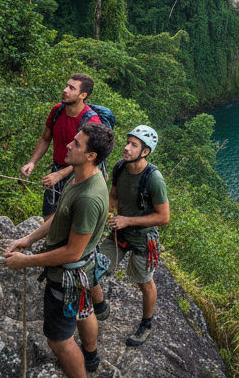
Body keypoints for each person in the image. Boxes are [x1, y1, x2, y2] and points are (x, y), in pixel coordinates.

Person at [4, 124, 114, 378]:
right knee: (83, 310)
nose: (68, 144)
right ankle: (91, 356)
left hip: (67, 276)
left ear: (91, 156)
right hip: (81, 273)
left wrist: (26, 262)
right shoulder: (80, 176)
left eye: (76, 143)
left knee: (59, 341)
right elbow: (60, 216)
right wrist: (29, 238)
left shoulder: (88, 197)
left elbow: (72, 253)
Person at [91, 125, 169, 347]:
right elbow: (114, 196)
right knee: (93, 268)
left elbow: (163, 217)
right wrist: (107, 210)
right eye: (127, 142)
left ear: (145, 151)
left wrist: (128, 220)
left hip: (144, 240)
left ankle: (146, 324)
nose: (126, 148)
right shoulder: (119, 167)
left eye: (133, 145)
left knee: (145, 283)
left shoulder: (154, 179)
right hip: (120, 233)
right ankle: (100, 307)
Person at [22, 74, 103, 217]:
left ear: (82, 95)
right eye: (67, 85)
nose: (65, 90)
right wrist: (32, 162)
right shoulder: (57, 111)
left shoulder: (92, 122)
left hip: (80, 175)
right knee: (49, 215)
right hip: (57, 168)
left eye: (72, 88)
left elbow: (87, 159)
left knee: (68, 218)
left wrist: (60, 175)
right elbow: (45, 138)